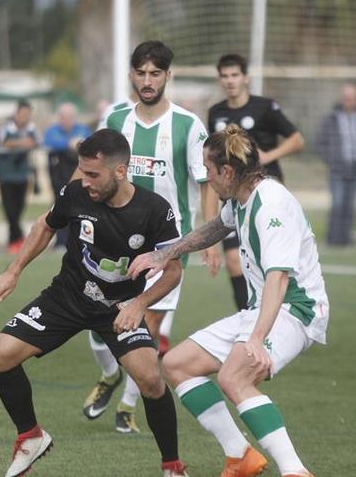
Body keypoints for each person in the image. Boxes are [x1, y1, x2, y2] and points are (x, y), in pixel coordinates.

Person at [128, 125, 329, 477]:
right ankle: (240, 457)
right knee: (176, 364)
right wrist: (163, 256)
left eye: (208, 170)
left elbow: (278, 279)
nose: (206, 177)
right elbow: (213, 229)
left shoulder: (271, 205)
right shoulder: (239, 200)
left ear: (228, 172)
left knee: (234, 378)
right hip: (262, 309)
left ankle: (295, 471)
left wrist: (256, 338)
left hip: (297, 310)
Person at [0, 129, 189, 477]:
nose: (84, 180)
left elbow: (173, 271)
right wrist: (13, 271)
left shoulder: (154, 210)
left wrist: (140, 304)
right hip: (67, 297)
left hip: (120, 306)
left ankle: (172, 467)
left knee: (150, 379)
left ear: (121, 172)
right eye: (82, 171)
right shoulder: (76, 193)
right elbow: (46, 226)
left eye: (93, 174)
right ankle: (30, 436)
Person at [86, 40, 220, 434]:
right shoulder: (115, 119)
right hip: (112, 240)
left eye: (155, 73)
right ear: (132, 75)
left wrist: (207, 238)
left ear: (167, 76)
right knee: (98, 326)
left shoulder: (188, 125)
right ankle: (110, 375)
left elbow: (206, 182)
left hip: (167, 246)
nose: (148, 81)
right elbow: (93, 172)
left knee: (142, 327)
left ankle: (128, 406)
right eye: (141, 73)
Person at [208, 53, 305, 310]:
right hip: (232, 197)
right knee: (233, 260)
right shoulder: (216, 113)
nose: (230, 81)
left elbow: (297, 139)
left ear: (246, 78)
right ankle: (246, 315)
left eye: (235, 75)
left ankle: (281, 313)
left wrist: (268, 156)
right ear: (220, 79)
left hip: (264, 195)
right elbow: (211, 166)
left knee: (266, 261)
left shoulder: (264, 107)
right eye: (225, 76)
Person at [316, 84, 356, 246]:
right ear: (342, 100)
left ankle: (345, 239)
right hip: (337, 168)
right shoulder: (331, 119)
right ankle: (333, 239)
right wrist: (330, 159)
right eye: (347, 99)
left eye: (353, 99)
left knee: (350, 206)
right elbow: (321, 142)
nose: (350, 102)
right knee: (337, 204)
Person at [43, 102, 92, 248]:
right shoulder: (53, 131)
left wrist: (77, 144)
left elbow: (90, 143)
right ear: (59, 117)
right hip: (59, 175)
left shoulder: (83, 129)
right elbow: (49, 141)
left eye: (70, 117)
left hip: (80, 174)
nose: (67, 120)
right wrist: (68, 143)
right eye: (64, 117)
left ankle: (79, 241)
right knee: (60, 206)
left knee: (81, 208)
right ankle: (61, 241)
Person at [0, 100, 40, 254]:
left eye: (27, 114)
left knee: (19, 208)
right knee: (10, 210)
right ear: (16, 114)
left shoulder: (31, 128)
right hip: (6, 174)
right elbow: (1, 143)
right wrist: (22, 143)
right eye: (22, 114)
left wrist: (29, 143)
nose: (25, 117)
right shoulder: (6, 128)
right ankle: (19, 239)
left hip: (22, 174)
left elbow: (36, 142)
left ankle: (14, 241)